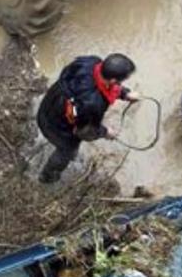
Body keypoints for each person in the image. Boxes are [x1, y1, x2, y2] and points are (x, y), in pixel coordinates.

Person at [37, 54, 141, 184]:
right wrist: (105, 132)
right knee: (67, 152)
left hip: (48, 106)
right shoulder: (93, 103)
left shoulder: (89, 63)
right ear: (114, 80)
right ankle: (47, 178)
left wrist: (125, 94)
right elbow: (85, 131)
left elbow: (104, 86)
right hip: (55, 128)